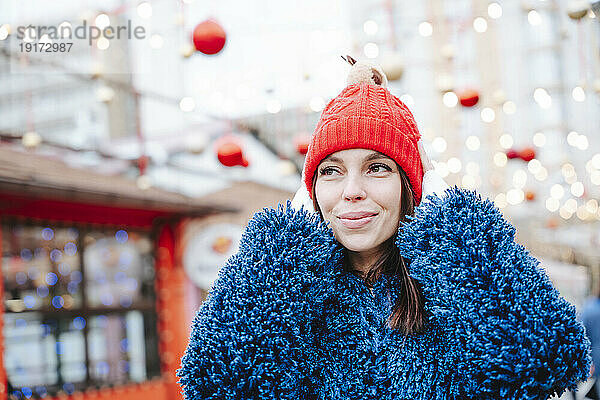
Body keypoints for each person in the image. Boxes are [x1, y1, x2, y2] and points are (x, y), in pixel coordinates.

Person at [177, 56, 592, 399]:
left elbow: (542, 361)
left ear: (412, 184)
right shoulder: (288, 295)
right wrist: (291, 241)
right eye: (331, 172)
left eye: (377, 168)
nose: (352, 191)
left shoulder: (453, 285)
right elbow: (215, 382)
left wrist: (449, 223)